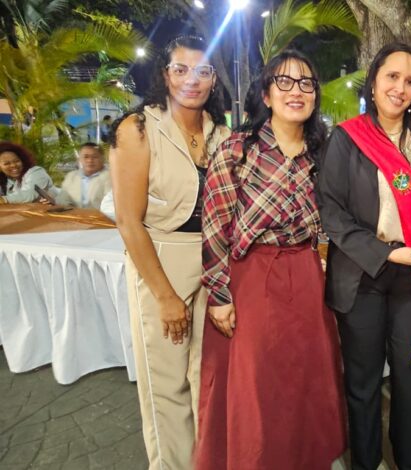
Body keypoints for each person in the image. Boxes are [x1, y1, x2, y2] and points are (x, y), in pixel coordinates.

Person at [318, 42, 411, 470]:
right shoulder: (346, 139)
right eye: (392, 76)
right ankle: (365, 463)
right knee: (363, 385)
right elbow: (331, 211)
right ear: (374, 80)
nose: (400, 88)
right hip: (362, 276)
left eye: (410, 81)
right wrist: (387, 253)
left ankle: (408, 459)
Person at [196, 50, 346, 470]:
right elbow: (214, 227)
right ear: (266, 93)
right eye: (284, 82)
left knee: (304, 382)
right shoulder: (237, 149)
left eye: (306, 83)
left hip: (306, 276)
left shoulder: (322, 155)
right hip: (251, 278)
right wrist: (219, 296)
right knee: (256, 386)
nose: (296, 91)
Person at [108, 35, 230, 470]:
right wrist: (164, 295)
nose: (191, 80)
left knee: (206, 378)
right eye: (181, 69)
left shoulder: (222, 134)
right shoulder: (138, 128)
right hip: (161, 258)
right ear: (165, 74)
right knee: (166, 385)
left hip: (213, 262)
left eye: (202, 71)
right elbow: (128, 221)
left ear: (213, 80)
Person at [55, 142, 112, 208]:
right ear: (79, 159)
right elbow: (62, 200)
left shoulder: (110, 177)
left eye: (95, 157)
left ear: (102, 159)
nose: (90, 160)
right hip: (72, 213)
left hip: (99, 214)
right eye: (86, 157)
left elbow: (110, 205)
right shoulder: (71, 176)